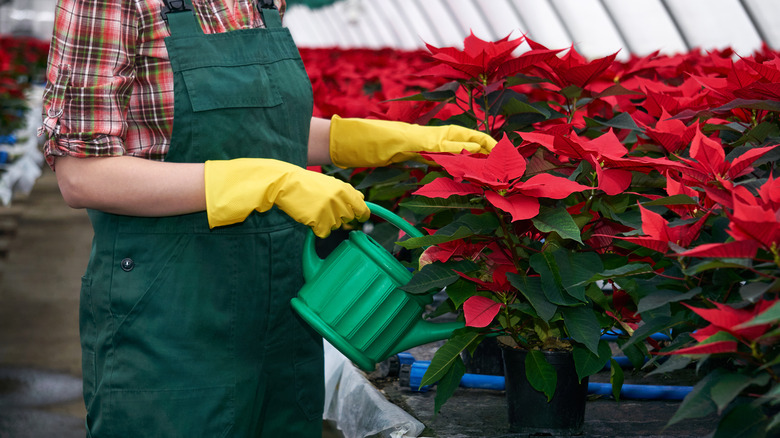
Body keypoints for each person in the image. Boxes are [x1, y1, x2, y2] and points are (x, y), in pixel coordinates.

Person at [40, 0, 496, 436]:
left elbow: (267, 131)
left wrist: (371, 138)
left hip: (282, 313)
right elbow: (82, 176)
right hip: (170, 314)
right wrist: (263, 181)